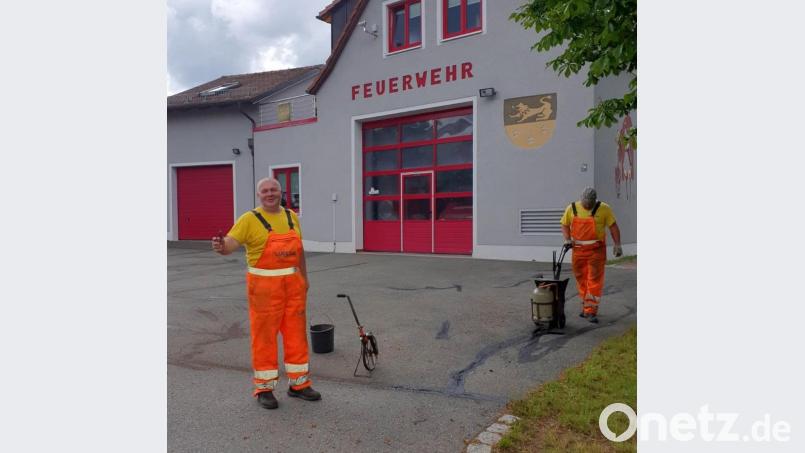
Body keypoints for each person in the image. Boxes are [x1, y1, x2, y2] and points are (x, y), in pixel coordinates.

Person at [212, 177, 321, 409]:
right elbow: (230, 243)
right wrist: (222, 247)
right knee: (264, 339)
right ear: (259, 195)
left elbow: (299, 250)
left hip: (294, 286)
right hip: (263, 289)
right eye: (265, 191)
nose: (270, 194)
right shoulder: (249, 219)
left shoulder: (291, 217)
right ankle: (264, 388)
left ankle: (299, 384)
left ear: (281, 192)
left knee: (296, 336)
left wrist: (305, 277)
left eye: (274, 190)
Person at [560, 187, 623, 324]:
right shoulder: (571, 208)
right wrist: (567, 239)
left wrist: (617, 245)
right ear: (580, 199)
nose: (586, 206)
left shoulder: (604, 209)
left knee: (594, 279)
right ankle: (586, 306)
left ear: (595, 201)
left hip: (596, 251)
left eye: (589, 204)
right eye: (584, 203)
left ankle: (590, 311)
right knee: (581, 278)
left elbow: (613, 227)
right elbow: (564, 224)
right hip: (578, 251)